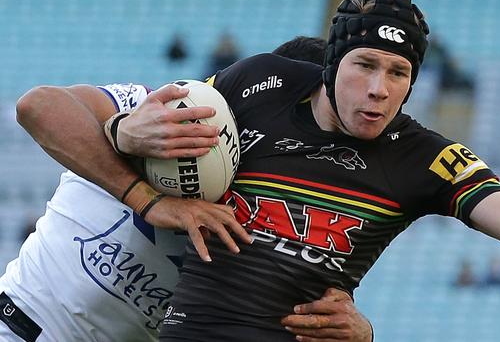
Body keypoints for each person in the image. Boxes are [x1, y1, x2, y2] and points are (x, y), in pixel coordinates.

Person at [14, 0, 500, 342]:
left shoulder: (409, 158)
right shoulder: (175, 116)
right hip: (24, 321)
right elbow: (39, 106)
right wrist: (127, 140)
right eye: (361, 68)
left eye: (397, 73)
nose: (377, 89)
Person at [0, 38, 372, 342]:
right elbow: (38, 106)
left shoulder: (292, 217)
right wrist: (141, 185)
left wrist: (359, 333)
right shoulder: (162, 113)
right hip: (23, 325)